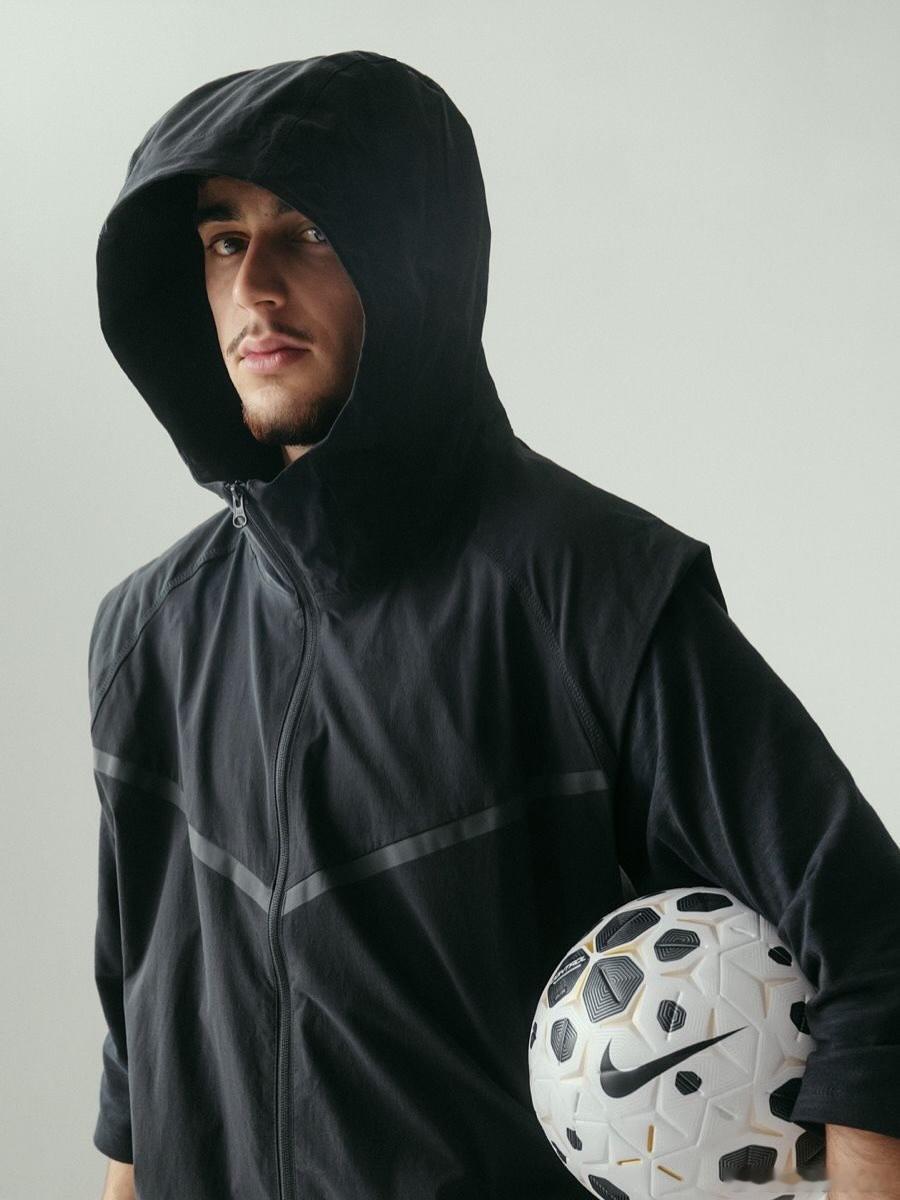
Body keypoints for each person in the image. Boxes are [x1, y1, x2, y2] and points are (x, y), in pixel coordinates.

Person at [90, 50, 900, 1200]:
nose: (255, 290)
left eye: (308, 233)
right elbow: (137, 1074)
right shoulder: (148, 636)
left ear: (414, 261)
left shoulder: (592, 595)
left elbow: (873, 953)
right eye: (225, 240)